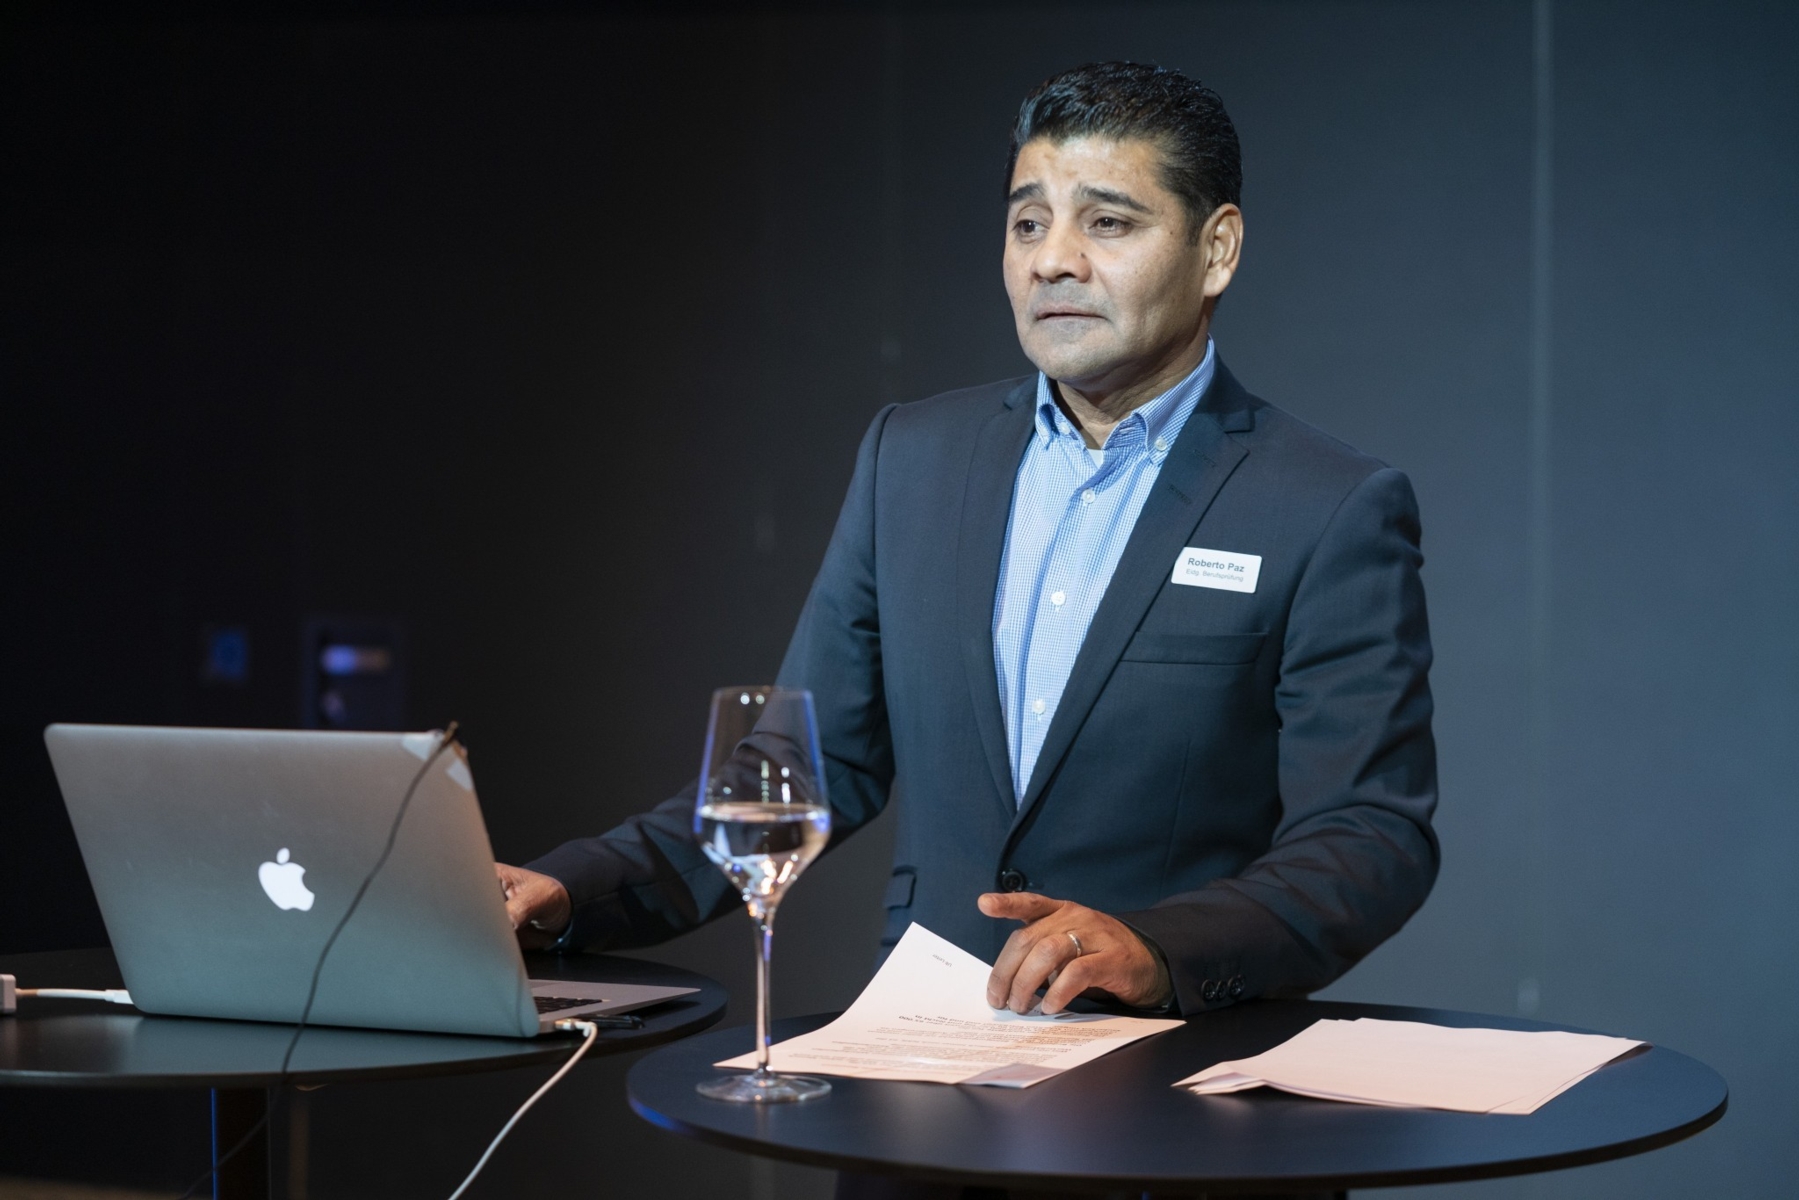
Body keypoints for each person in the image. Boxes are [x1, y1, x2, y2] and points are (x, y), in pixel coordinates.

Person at [498, 62, 1438, 1030]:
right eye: (1028, 222)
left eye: (1106, 223)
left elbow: (1366, 838)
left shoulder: (1324, 504)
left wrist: (1158, 947)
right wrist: (567, 888)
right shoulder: (910, 458)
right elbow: (800, 767)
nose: (1051, 261)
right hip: (918, 1068)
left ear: (1216, 250)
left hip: (1173, 1083)